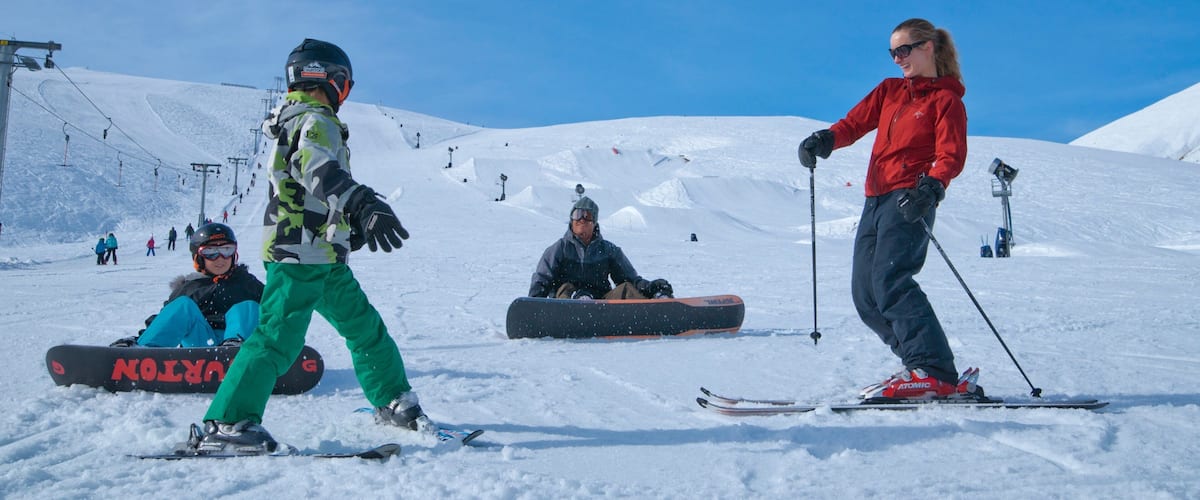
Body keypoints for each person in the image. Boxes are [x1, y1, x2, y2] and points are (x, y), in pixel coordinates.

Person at [187, 38, 425, 455]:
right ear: (326, 79)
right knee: (277, 338)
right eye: (345, 86)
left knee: (365, 329)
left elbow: (312, 194)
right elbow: (315, 169)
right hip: (298, 256)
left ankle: (391, 399)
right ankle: (227, 423)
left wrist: (352, 226)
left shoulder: (301, 120)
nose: (344, 96)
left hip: (323, 255)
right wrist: (362, 201)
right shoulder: (315, 120)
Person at [798, 18, 977, 401]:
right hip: (875, 199)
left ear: (928, 47)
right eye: (893, 52)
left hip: (909, 200)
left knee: (891, 282)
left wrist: (932, 186)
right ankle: (921, 364)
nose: (897, 59)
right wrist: (825, 139)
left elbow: (951, 154)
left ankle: (933, 369)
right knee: (865, 295)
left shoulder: (946, 100)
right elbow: (854, 123)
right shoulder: (890, 91)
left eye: (904, 50)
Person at [110, 224, 264, 348]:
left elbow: (276, 312)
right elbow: (165, 320)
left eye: (226, 250)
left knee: (247, 307)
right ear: (198, 257)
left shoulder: (246, 282)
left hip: (242, 345)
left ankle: (232, 348)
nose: (220, 258)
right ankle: (145, 352)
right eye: (210, 252)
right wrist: (138, 338)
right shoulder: (190, 287)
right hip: (202, 345)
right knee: (182, 305)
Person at [529, 196, 673, 300]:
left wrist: (650, 288)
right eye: (577, 214)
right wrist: (532, 307)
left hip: (600, 305)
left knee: (626, 290)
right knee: (566, 288)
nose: (581, 219)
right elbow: (542, 278)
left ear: (595, 222)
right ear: (571, 220)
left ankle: (657, 309)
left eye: (587, 215)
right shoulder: (559, 249)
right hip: (565, 306)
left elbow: (629, 280)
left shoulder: (609, 250)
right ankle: (577, 304)